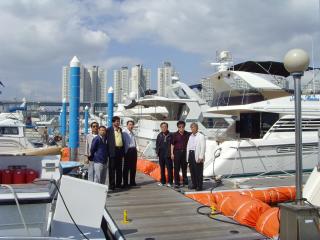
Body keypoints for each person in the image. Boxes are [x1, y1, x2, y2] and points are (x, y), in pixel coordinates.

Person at [186, 122, 206, 191]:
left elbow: (203, 147)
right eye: (191, 127)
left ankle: (199, 186)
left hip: (197, 154)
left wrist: (201, 157)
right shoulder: (190, 136)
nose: (192, 129)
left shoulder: (201, 136)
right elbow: (188, 146)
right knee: (192, 171)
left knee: (198, 172)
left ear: (197, 128)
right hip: (191, 154)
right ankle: (194, 184)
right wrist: (187, 157)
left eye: (194, 127)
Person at [107, 116, 124, 190]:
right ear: (113, 122)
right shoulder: (109, 130)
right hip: (112, 151)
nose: (118, 122)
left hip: (120, 151)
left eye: (119, 121)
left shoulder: (120, 129)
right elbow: (106, 141)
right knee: (112, 168)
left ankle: (118, 184)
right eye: (116, 121)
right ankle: (112, 185)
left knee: (119, 168)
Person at [171, 120, 190, 188]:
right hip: (177, 152)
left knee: (184, 168)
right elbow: (172, 145)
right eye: (180, 127)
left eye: (182, 126)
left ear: (184, 127)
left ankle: (185, 181)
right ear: (178, 127)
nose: (181, 128)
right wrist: (172, 154)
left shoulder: (187, 134)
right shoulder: (174, 135)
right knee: (176, 168)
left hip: (185, 152)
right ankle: (177, 182)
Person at [155, 122, 173, 187]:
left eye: (165, 126)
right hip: (161, 154)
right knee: (162, 168)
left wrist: (172, 153)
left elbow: (173, 145)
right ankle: (163, 181)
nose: (164, 128)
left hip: (168, 154)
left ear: (167, 127)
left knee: (169, 168)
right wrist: (157, 152)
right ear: (161, 128)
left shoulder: (171, 135)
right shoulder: (159, 135)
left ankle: (170, 182)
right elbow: (157, 144)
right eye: (162, 127)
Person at [123, 120, 138, 188]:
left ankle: (132, 182)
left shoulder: (133, 132)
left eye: (132, 125)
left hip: (133, 150)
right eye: (129, 124)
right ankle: (125, 182)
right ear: (127, 125)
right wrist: (124, 152)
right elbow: (124, 143)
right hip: (127, 151)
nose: (131, 126)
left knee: (133, 167)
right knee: (126, 168)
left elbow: (135, 142)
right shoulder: (124, 133)